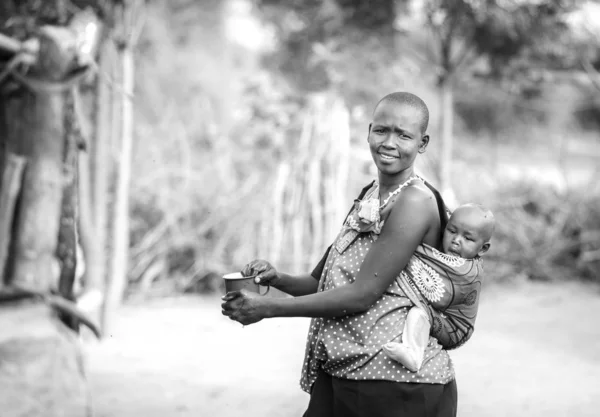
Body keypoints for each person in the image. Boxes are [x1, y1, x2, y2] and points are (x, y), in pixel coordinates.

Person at [222, 92, 457, 417]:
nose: (389, 142)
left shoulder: (415, 201)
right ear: (369, 132)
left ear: (423, 142)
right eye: (381, 130)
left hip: (393, 382)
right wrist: (276, 279)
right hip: (346, 369)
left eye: (403, 134)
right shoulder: (369, 195)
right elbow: (320, 282)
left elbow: (362, 294)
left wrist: (268, 307)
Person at [383, 203, 495, 372]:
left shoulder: (467, 273)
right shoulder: (446, 256)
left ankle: (414, 355)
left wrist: (403, 246)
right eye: (452, 231)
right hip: (442, 318)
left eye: (468, 238)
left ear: (483, 248)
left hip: (454, 328)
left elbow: (435, 287)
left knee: (419, 313)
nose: (456, 240)